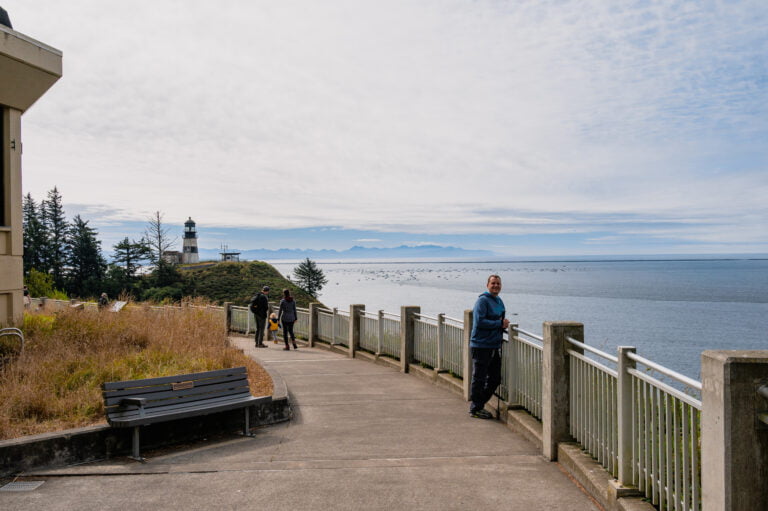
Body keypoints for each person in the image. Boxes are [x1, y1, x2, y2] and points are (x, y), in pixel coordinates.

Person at [468, 274, 510, 419]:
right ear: (487, 285)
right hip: (481, 345)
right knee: (479, 378)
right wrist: (499, 324)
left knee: (495, 378)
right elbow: (480, 322)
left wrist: (503, 325)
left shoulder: (499, 301)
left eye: (498, 283)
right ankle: (476, 408)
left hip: (493, 344)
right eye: (493, 283)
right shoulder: (482, 301)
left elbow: (499, 319)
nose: (496, 286)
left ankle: (479, 403)